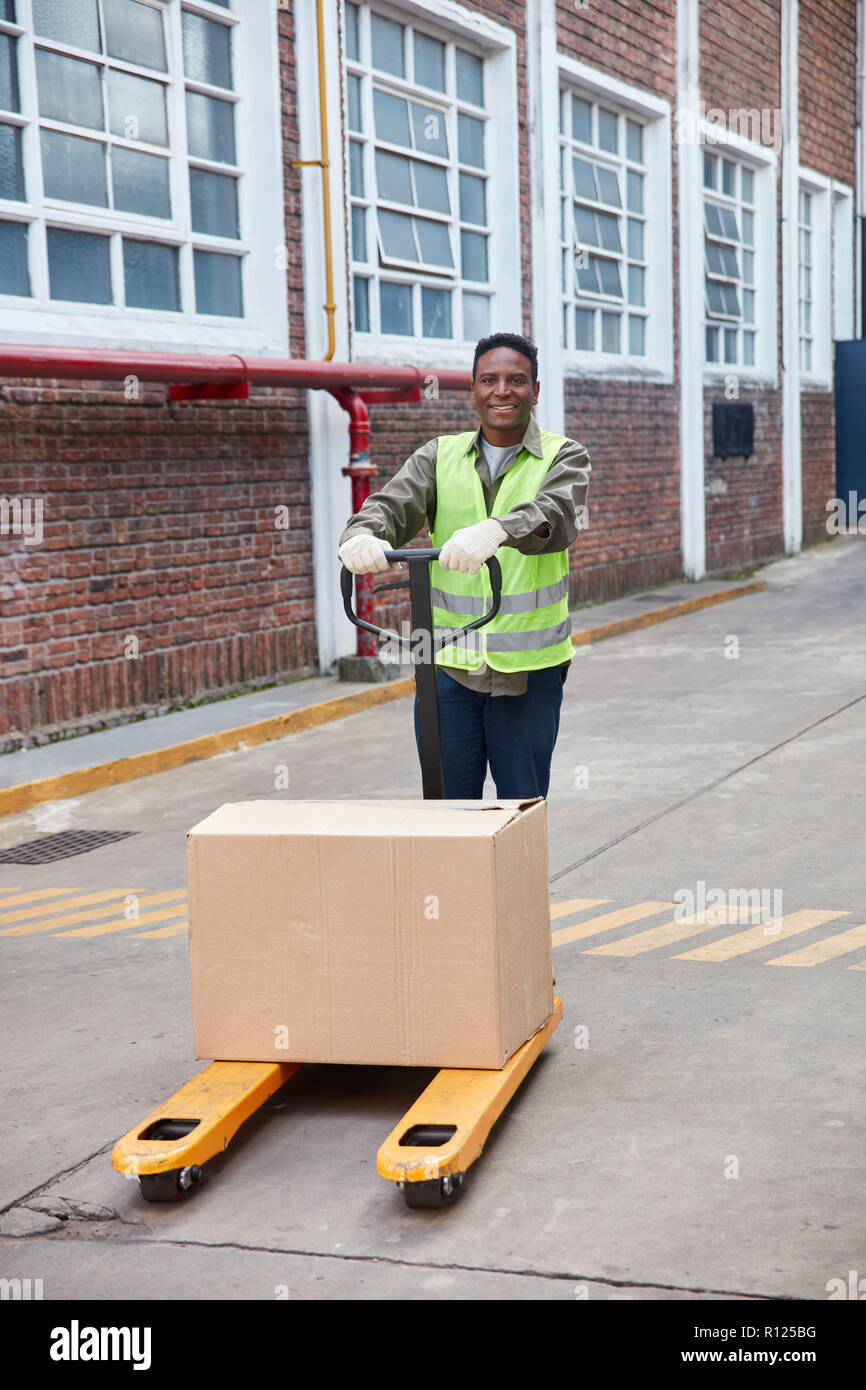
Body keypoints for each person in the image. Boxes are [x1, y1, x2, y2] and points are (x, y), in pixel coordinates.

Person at [338, 331, 591, 800]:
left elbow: (557, 514)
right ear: (472, 389)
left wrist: (497, 530)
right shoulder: (438, 456)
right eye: (488, 379)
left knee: (521, 806)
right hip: (447, 665)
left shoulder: (565, 456)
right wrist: (361, 535)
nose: (502, 391)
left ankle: (517, 878)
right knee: (448, 810)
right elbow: (388, 507)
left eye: (516, 380)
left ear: (535, 391)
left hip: (528, 672)